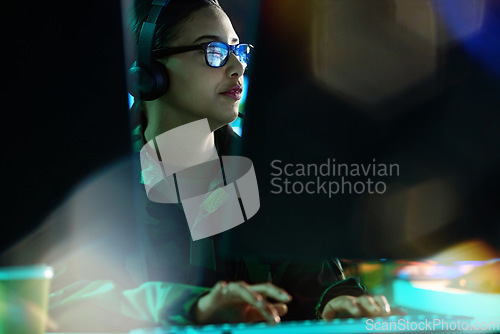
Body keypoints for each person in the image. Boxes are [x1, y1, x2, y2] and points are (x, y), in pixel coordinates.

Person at [47, 0, 397, 331]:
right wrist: (193, 307)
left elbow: (317, 283)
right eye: (213, 51)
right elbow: (61, 295)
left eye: (238, 50)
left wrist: (339, 305)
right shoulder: (103, 179)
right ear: (150, 69)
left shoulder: (260, 175)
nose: (238, 67)